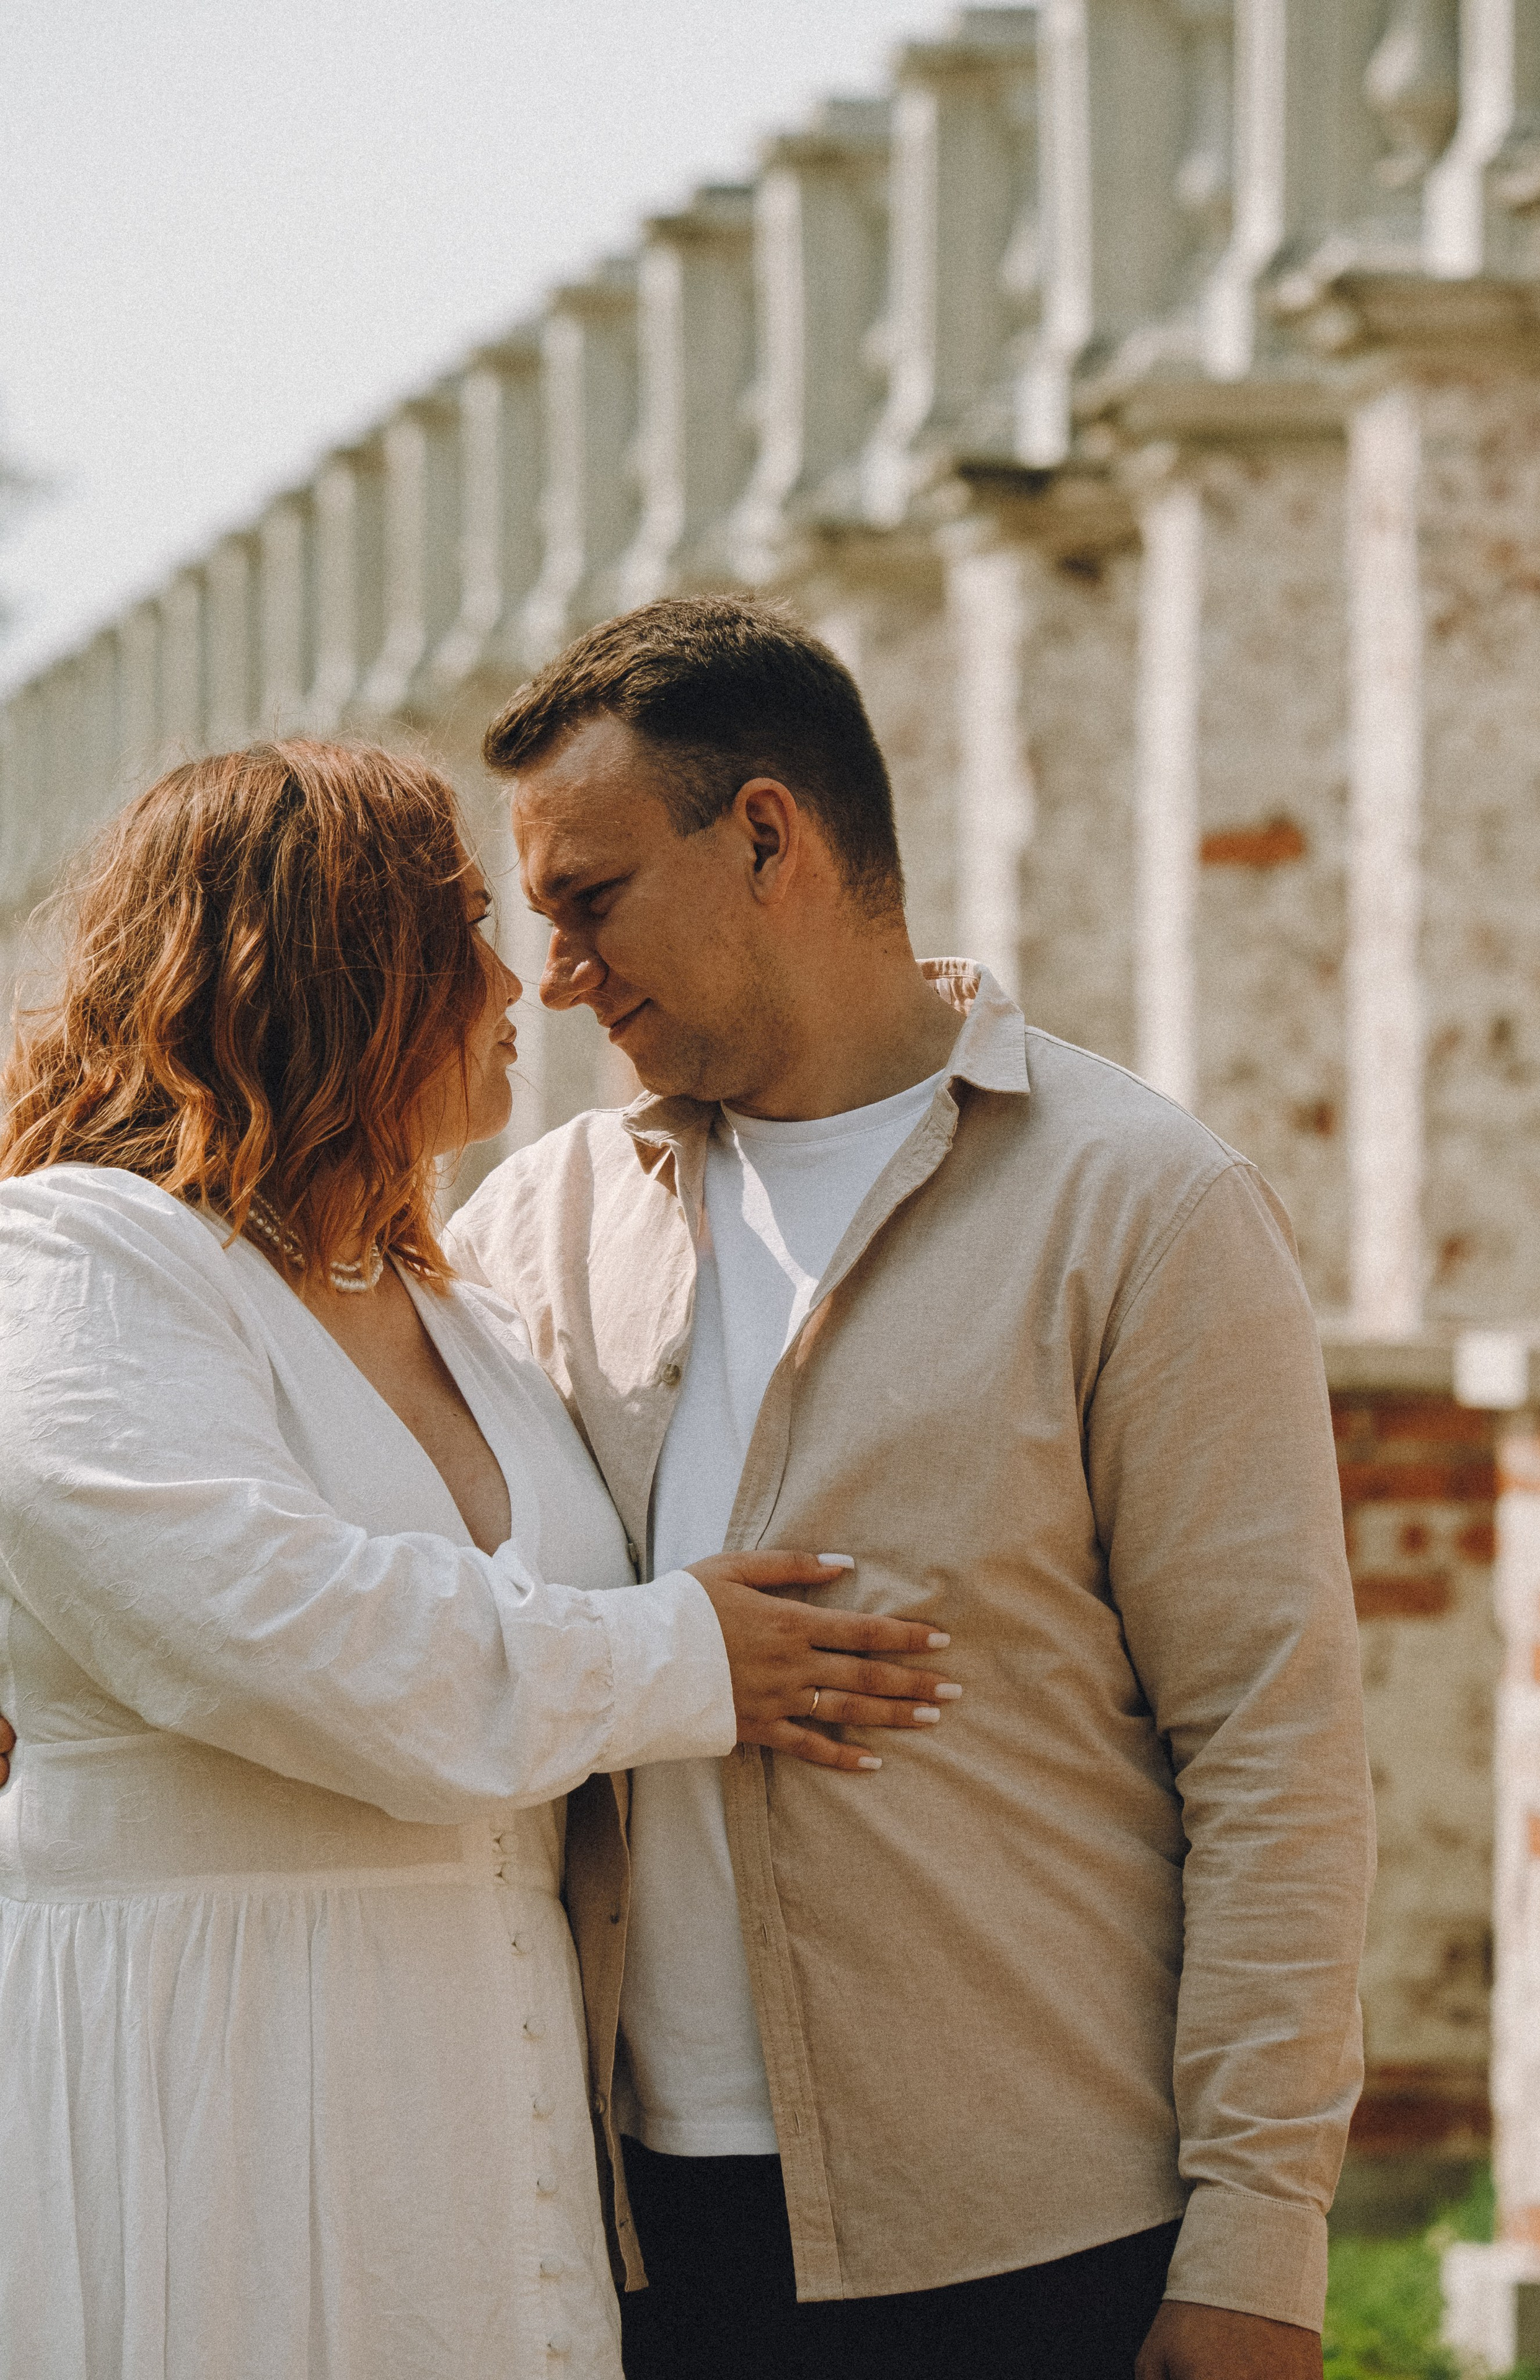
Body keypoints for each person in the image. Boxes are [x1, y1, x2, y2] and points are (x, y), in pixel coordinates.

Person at [443, 597, 1378, 2380]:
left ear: (770, 836)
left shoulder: (1144, 1208)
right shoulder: (539, 1223)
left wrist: (1261, 2239)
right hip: (624, 2233)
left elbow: (1276, 1745)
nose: (557, 971)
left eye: (590, 898)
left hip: (1039, 2237)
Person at [0, 738, 957, 2380]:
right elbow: (283, 1632)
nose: (528, 981)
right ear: (332, 968)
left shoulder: (468, 1313)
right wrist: (688, 1660)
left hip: (484, 2085)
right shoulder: (77, 1259)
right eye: (465, 933)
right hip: (213, 2072)